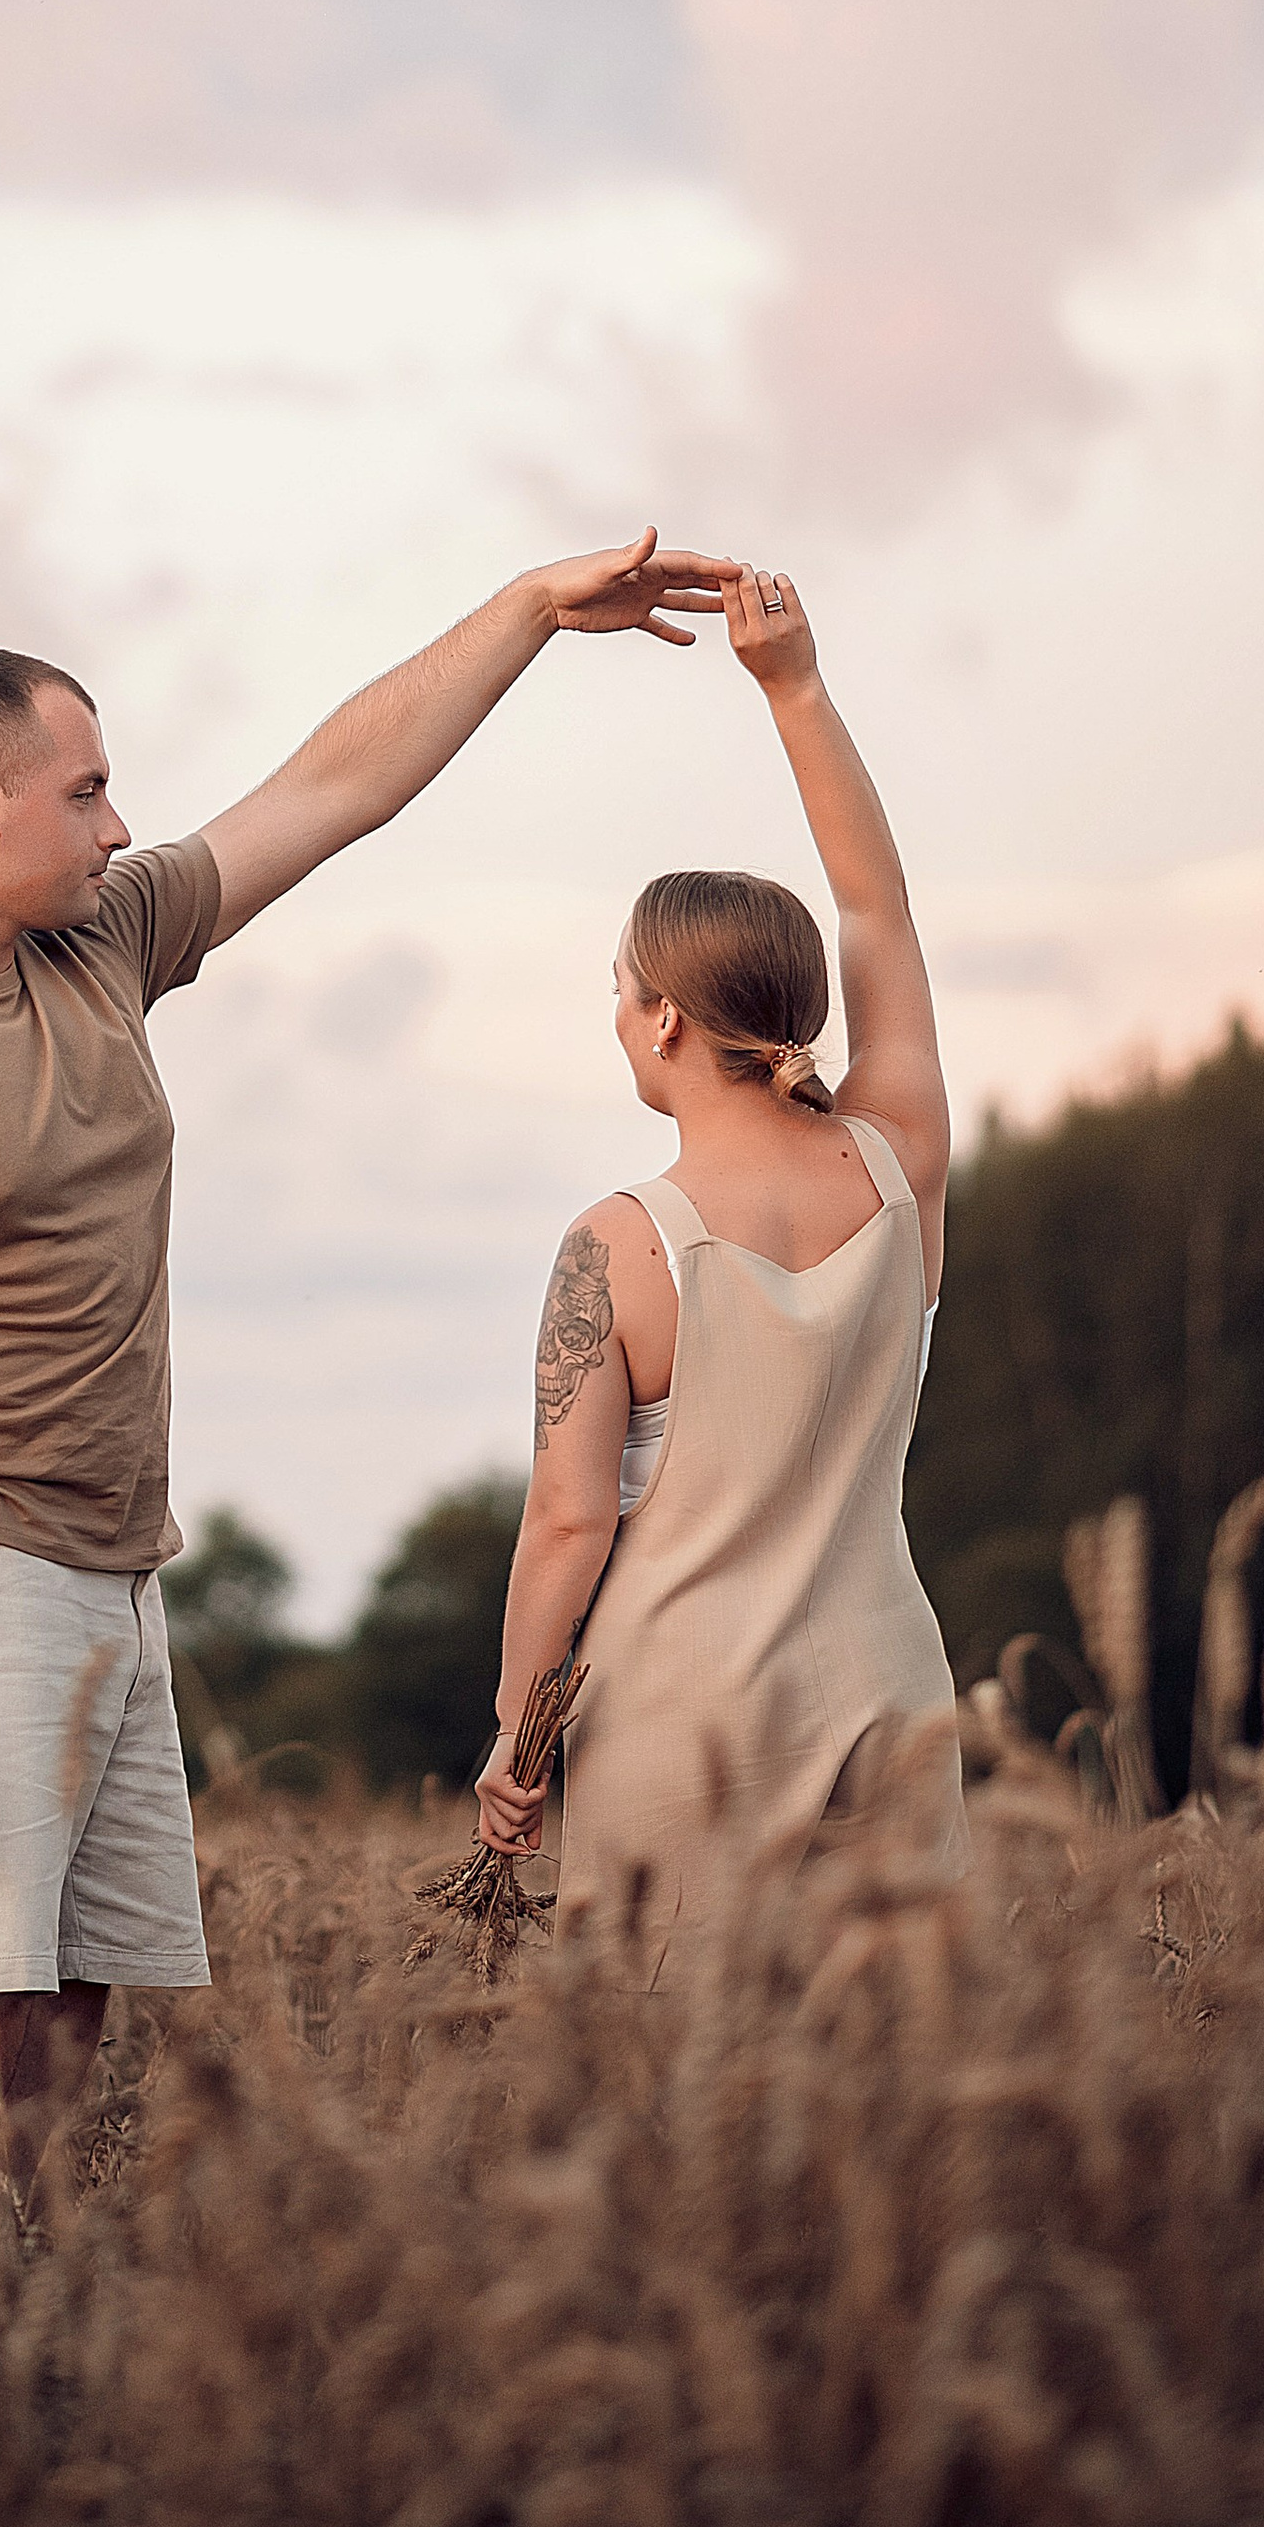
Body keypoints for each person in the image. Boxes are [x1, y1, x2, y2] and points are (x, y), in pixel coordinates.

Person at [0, 529, 734, 2167]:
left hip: (118, 1578)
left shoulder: (99, 948)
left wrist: (535, 611)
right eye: (86, 790)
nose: (119, 825)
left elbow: (332, 789)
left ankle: (15, 2364)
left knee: (66, 2028)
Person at [474, 562, 966, 1977]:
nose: (616, 1015)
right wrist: (794, 687)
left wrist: (519, 1734)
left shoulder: (617, 1245)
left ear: (672, 1022)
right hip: (890, 1701)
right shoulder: (899, 1160)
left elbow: (568, 1530)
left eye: (624, 990)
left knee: (663, 2135)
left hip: (680, 1727)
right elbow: (879, 915)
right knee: (892, 2121)